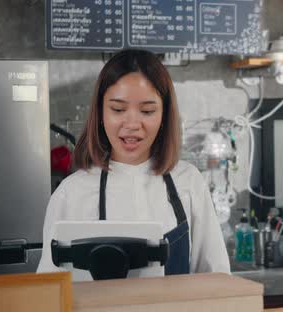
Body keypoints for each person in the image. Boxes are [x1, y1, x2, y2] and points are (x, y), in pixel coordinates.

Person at [37, 49, 230, 275]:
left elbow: (216, 278)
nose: (132, 124)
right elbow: (51, 290)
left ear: (164, 115)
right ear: (100, 112)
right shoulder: (70, 193)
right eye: (118, 109)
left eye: (147, 111)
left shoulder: (189, 182)